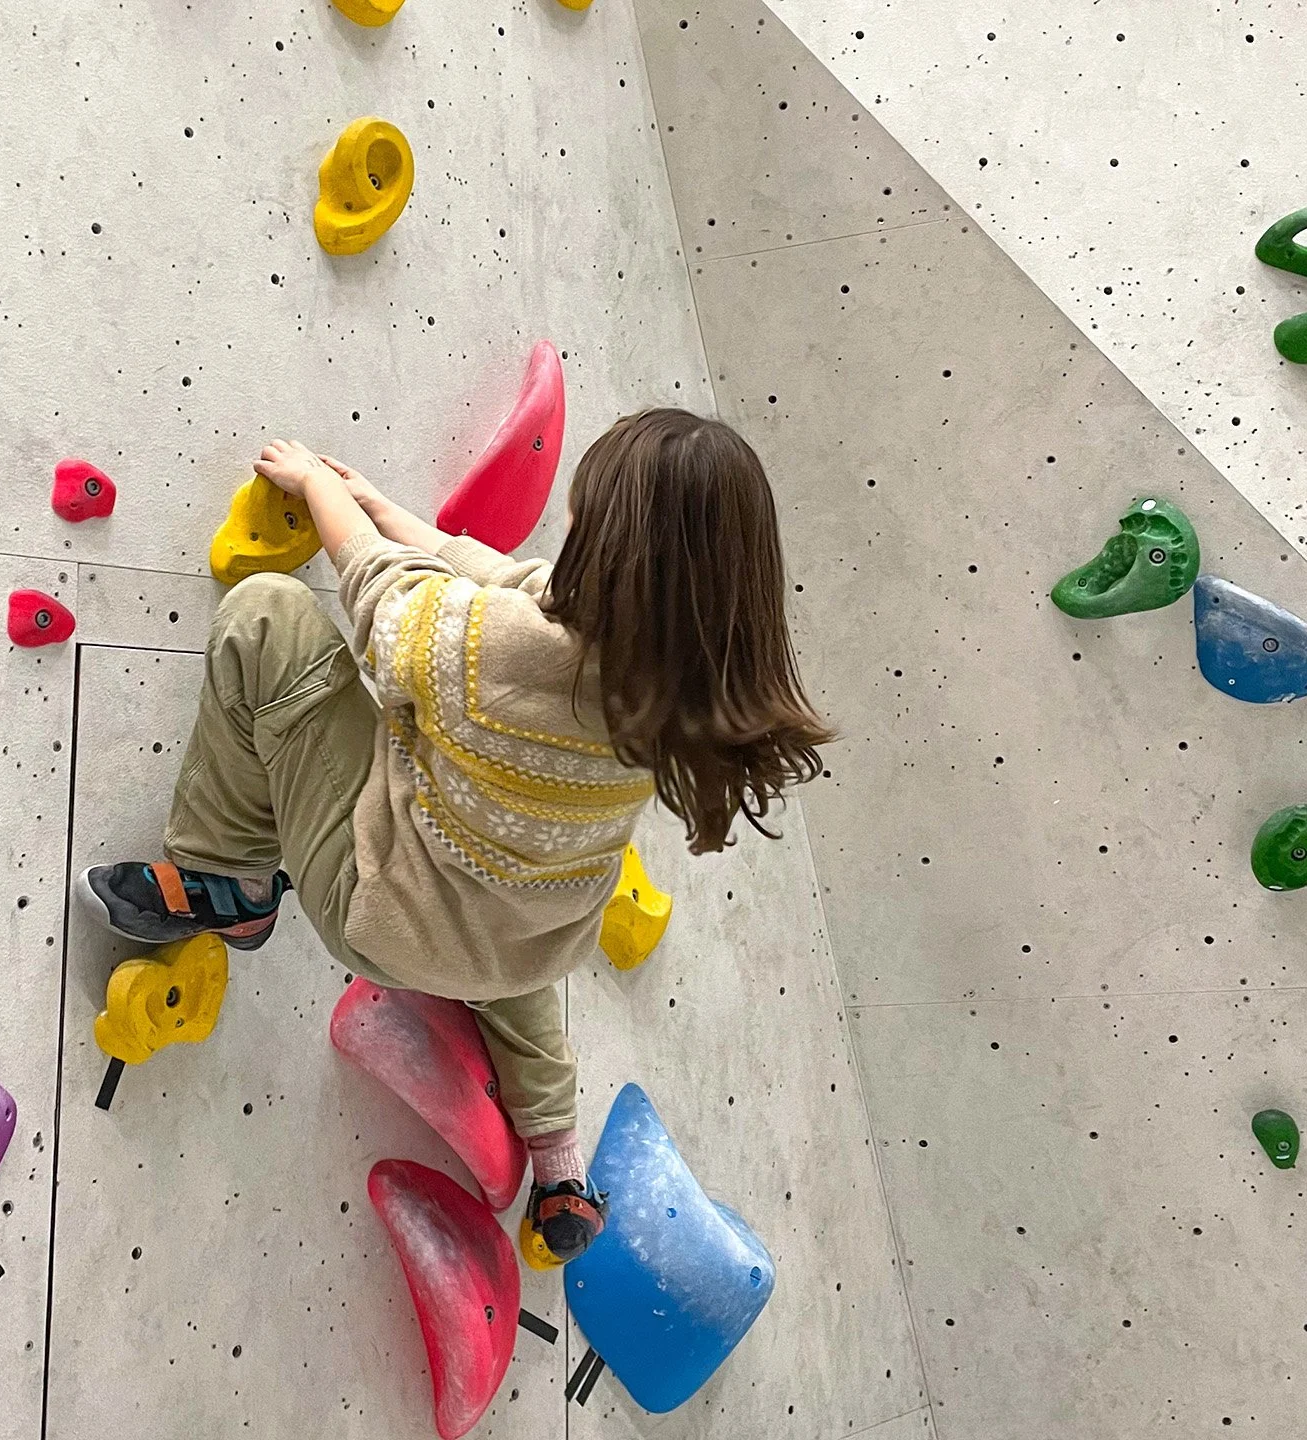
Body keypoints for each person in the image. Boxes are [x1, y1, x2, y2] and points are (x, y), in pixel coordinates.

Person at [76, 407, 832, 1264]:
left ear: (608, 543)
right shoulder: (676, 697)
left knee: (266, 616)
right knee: (518, 969)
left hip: (387, 916)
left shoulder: (495, 649)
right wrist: (385, 503)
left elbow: (383, 594)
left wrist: (326, 491)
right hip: (530, 939)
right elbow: (508, 578)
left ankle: (228, 884)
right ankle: (556, 1160)